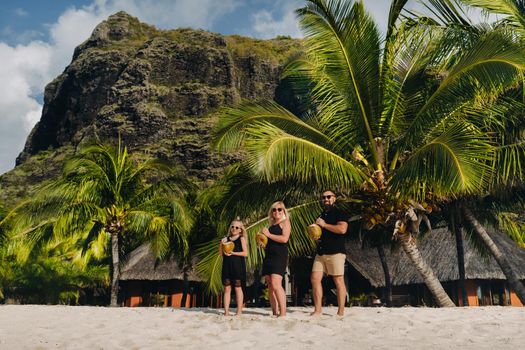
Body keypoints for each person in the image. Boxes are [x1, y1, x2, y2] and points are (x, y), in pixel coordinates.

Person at [310, 190, 349, 317]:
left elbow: (342, 229)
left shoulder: (340, 213)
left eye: (328, 197)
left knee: (338, 280)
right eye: (323, 197)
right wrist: (316, 235)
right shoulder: (321, 215)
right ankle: (317, 310)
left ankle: (341, 311)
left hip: (336, 252)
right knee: (315, 279)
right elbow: (321, 232)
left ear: (334, 198)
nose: (326, 199)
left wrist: (324, 225)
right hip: (321, 252)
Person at [261, 201, 291, 317]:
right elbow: (270, 241)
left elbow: (284, 239)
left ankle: (283, 313)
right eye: (274, 209)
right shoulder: (271, 226)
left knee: (276, 283)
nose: (277, 211)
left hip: (279, 256)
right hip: (269, 256)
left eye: (279, 209)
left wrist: (268, 235)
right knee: (270, 285)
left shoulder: (285, 223)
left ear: (283, 211)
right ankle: (275, 312)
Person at [220, 218, 248, 316]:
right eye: (232, 226)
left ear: (240, 229)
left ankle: (239, 311)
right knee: (227, 289)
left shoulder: (241, 239)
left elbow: (245, 253)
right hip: (227, 266)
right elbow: (221, 254)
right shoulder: (225, 239)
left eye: (237, 227)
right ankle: (226, 312)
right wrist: (222, 244)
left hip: (238, 267)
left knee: (237, 288)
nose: (234, 229)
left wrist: (233, 253)